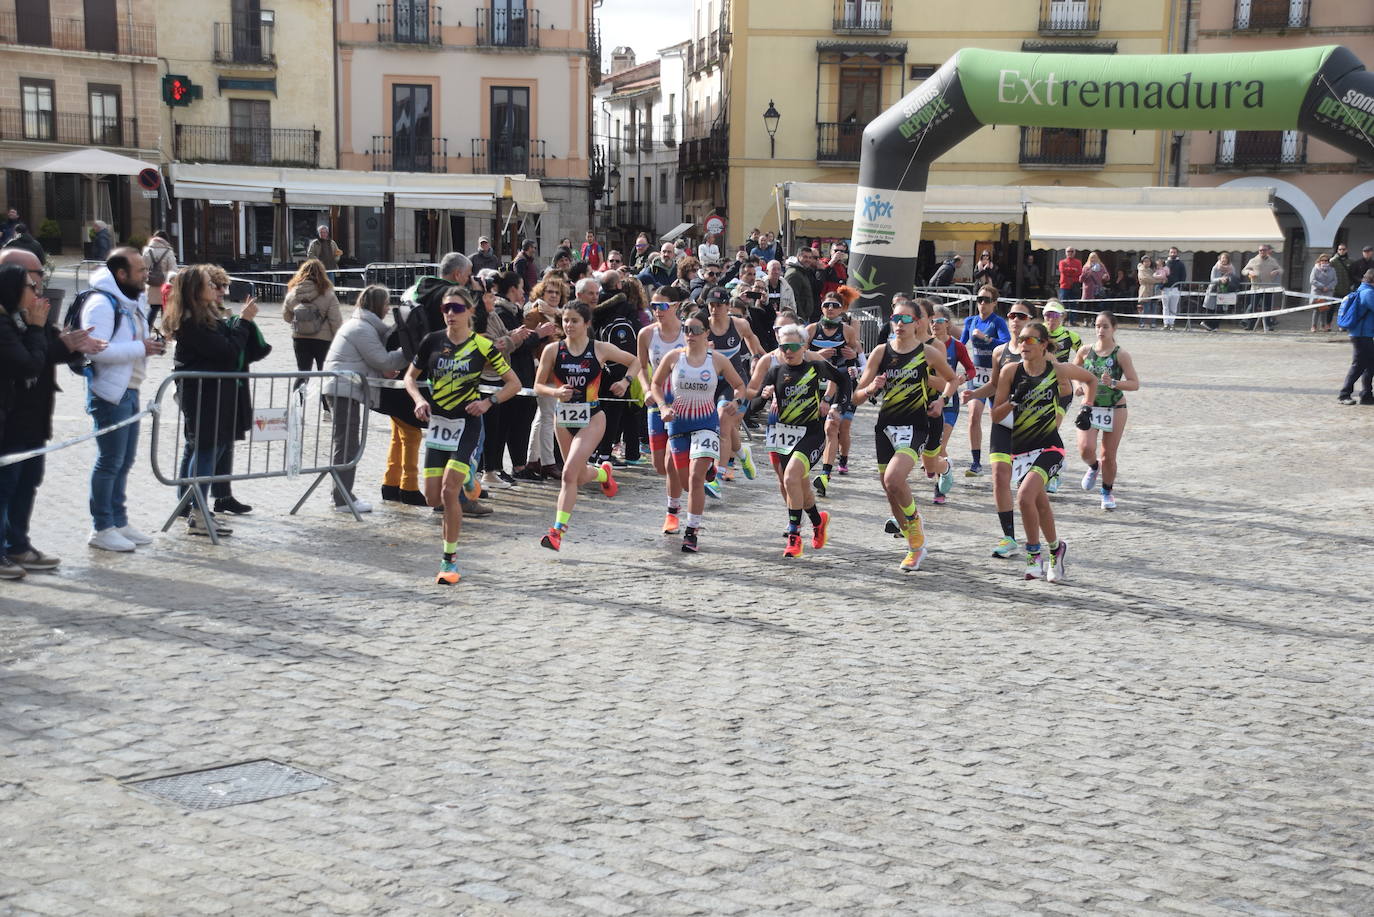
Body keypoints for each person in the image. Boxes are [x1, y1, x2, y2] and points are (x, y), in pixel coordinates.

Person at [404, 287, 521, 584]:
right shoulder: (432, 341)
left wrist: (487, 402)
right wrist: (419, 400)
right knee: (433, 498)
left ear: (470, 311)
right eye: (446, 309)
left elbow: (514, 383)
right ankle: (470, 480)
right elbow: (409, 377)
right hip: (439, 425)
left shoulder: (482, 345)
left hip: (467, 424)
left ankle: (449, 561)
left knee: (448, 490)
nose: (450, 314)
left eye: (457, 308)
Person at [0, 250, 102, 577]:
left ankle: (18, 544)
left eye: (40, 275)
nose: (38, 283)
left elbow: (44, 353)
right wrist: (38, 331)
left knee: (28, 481)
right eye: (31, 277)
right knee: (7, 483)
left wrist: (68, 344)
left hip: (37, 411)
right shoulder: (10, 319)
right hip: (13, 415)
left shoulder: (34, 313)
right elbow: (25, 359)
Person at [852, 298, 957, 573]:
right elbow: (857, 396)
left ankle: (917, 532)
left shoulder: (928, 352)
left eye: (906, 319)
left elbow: (952, 379)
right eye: (895, 319)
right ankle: (914, 546)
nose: (899, 324)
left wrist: (941, 401)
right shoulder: (879, 352)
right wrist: (872, 388)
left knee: (894, 479)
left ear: (918, 323)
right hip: (885, 426)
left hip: (915, 425)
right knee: (891, 490)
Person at [990, 321, 1096, 583]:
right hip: (1021, 450)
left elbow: (1090, 380)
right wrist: (1015, 400)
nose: (1024, 344)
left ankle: (1033, 556)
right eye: (1022, 339)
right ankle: (1056, 548)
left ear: (1044, 345)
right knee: (1039, 503)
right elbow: (995, 415)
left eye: (1031, 340)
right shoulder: (1009, 372)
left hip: (1050, 447)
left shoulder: (1057, 370)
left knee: (1025, 497)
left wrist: (1086, 409)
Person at [532, 300, 640, 552]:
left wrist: (625, 382)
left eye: (574, 321)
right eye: (566, 320)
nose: (569, 325)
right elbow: (538, 386)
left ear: (586, 323)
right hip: (564, 419)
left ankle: (556, 532)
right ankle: (603, 473)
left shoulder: (599, 349)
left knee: (568, 473)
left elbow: (635, 360)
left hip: (592, 417)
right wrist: (556, 392)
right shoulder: (553, 351)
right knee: (578, 476)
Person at [163, 266, 258, 537]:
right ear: (195, 291)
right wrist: (245, 322)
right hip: (202, 395)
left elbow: (227, 343)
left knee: (211, 450)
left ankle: (198, 508)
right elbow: (226, 351)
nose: (216, 289)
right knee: (204, 451)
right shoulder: (191, 321)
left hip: (217, 394)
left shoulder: (208, 315)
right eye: (209, 284)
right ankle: (197, 510)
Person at [746, 323, 848, 558]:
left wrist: (833, 404)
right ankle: (817, 521)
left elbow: (843, 381)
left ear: (803, 346)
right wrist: (762, 398)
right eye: (783, 347)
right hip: (784, 435)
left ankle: (794, 537)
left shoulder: (817, 367)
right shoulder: (775, 372)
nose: (788, 351)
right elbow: (753, 407)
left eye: (792, 346)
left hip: (811, 434)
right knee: (799, 486)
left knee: (791, 477)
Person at [648, 310, 747, 553]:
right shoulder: (673, 357)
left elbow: (740, 386)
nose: (690, 335)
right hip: (678, 423)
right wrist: (662, 407)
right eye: (686, 330)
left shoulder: (717, 360)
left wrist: (737, 402)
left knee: (695, 478)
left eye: (695, 330)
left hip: (706, 424)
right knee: (684, 482)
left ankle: (691, 532)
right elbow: (655, 384)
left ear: (706, 333)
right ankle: (706, 473)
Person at [83, 247, 161, 552]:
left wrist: (149, 346)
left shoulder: (131, 302)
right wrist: (141, 348)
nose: (146, 275)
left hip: (129, 389)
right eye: (140, 270)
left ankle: (118, 519)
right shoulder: (101, 304)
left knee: (124, 460)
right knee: (110, 461)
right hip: (110, 392)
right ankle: (102, 526)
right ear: (121, 274)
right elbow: (95, 350)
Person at [322, 285, 407, 513]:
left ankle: (341, 494)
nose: (388, 308)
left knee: (347, 442)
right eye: (386, 304)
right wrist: (410, 352)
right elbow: (383, 361)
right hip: (343, 389)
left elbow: (369, 362)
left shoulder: (361, 325)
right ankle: (342, 498)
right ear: (378, 305)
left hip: (344, 388)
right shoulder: (362, 328)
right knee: (347, 443)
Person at [961, 302, 1032, 559]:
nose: (1014, 319)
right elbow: (993, 385)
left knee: (1028, 489)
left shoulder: (1041, 353)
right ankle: (1009, 537)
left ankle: (1040, 538)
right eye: (1011, 315)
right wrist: (973, 394)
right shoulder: (999, 351)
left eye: (1021, 316)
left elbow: (1061, 386)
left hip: (1032, 426)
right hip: (1004, 422)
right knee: (1000, 477)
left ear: (1030, 321)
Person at [477, 271, 546, 488]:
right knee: (491, 430)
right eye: (488, 296)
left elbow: (503, 338)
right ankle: (488, 470)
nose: (492, 299)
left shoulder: (495, 314)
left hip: (501, 376)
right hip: (489, 378)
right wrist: (521, 337)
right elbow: (490, 346)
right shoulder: (489, 315)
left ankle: (492, 470)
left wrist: (514, 336)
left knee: (498, 426)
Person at [1074, 310, 1140, 511]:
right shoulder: (1085, 351)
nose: (1100, 330)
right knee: (1085, 448)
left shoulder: (1121, 354)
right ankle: (1093, 467)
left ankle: (1107, 492)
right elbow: (1074, 369)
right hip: (1090, 406)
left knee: (1108, 455)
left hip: (1115, 408)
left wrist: (1114, 383)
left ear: (1114, 329)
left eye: (1105, 326)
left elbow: (1135, 384)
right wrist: (1077, 384)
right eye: (1097, 326)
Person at [637, 286, 688, 533]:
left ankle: (672, 513)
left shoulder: (688, 334)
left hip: (682, 404)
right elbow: (639, 366)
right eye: (653, 306)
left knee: (671, 461)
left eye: (663, 306)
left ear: (676, 306)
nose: (657, 311)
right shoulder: (646, 334)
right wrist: (646, 389)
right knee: (659, 465)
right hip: (657, 402)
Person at [704, 286, 763, 489]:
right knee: (724, 426)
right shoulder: (702, 326)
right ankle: (742, 453)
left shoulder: (738, 324)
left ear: (727, 306)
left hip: (734, 382)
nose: (715, 309)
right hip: (709, 383)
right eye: (711, 304)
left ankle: (717, 478)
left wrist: (756, 359)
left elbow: (754, 342)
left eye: (719, 305)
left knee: (722, 419)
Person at [805, 287, 861, 496]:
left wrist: (853, 353)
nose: (830, 309)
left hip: (840, 381)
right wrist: (817, 354)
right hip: (815, 383)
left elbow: (858, 354)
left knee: (834, 426)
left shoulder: (847, 330)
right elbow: (799, 355)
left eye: (834, 306)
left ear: (841, 309)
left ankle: (825, 475)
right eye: (826, 305)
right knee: (816, 428)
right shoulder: (811, 329)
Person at [959, 285, 1010, 476]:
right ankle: (976, 462)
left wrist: (987, 339)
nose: (982, 303)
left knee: (999, 419)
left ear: (994, 303)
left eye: (987, 300)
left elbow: (1007, 344)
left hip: (996, 377)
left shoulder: (998, 322)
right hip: (977, 376)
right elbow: (961, 346)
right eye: (979, 299)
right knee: (973, 416)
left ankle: (1004, 458)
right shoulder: (970, 321)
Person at [523, 276, 569, 480]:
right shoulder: (533, 314)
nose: (553, 296)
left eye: (557, 293)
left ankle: (533, 459)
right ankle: (548, 462)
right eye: (549, 292)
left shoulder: (560, 316)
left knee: (542, 417)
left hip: (557, 372)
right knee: (548, 417)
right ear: (541, 294)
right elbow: (527, 344)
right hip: (542, 373)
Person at [930, 303, 973, 505]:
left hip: (949, 401)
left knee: (940, 445)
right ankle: (938, 466)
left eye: (938, 321)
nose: (934, 325)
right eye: (931, 321)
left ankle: (940, 489)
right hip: (928, 400)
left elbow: (971, 369)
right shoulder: (925, 345)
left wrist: (962, 378)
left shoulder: (957, 346)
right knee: (930, 447)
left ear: (947, 324)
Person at [282, 259, 342, 374]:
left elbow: (286, 316)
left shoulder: (292, 294)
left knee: (303, 373)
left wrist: (302, 321)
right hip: (323, 340)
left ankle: (299, 392)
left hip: (300, 338)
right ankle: (322, 392)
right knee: (324, 373)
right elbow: (335, 321)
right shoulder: (329, 295)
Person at [1336, 269, 1374, 405]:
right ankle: (1344, 394)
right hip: (1361, 334)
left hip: (1365, 334)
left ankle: (1367, 394)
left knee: (1370, 365)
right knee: (1359, 365)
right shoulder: (1367, 293)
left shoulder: (1364, 291)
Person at [1242, 244, 1283, 332]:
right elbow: (1244, 271)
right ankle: (1250, 325)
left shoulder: (1272, 260)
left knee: (1267, 307)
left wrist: (1276, 271)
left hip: (1268, 287)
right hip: (1256, 288)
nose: (1262, 252)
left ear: (1268, 251)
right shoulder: (1253, 260)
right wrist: (1250, 271)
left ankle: (1268, 325)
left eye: (1264, 250)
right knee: (1253, 307)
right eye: (1260, 250)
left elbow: (1281, 270)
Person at [141, 230, 176, 331]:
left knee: (153, 309)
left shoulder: (147, 251)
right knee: (166, 310)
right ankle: (166, 333)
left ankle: (146, 331)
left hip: (151, 283)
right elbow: (173, 270)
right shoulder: (168, 251)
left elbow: (142, 267)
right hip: (165, 284)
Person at [1202, 252, 1238, 331]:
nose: (1224, 260)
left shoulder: (1232, 268)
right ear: (1220, 259)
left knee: (1221, 310)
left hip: (1225, 291)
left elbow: (1234, 278)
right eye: (1222, 258)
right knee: (1211, 309)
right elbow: (1212, 279)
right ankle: (1208, 324)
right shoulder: (1216, 267)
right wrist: (1220, 279)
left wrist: (1228, 280)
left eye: (1225, 258)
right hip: (1214, 290)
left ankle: (1216, 326)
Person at [784, 247, 821, 322]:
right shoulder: (794, 274)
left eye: (810, 257)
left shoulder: (802, 271)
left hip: (804, 317)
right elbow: (793, 298)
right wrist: (801, 317)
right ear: (798, 257)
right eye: (805, 257)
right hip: (798, 319)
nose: (808, 260)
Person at [1159, 246, 1187, 331]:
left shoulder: (1181, 264)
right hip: (1165, 288)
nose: (1173, 254)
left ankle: (1172, 324)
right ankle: (1166, 323)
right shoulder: (1165, 263)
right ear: (1169, 253)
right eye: (1171, 252)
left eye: (1174, 252)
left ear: (1177, 253)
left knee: (1173, 307)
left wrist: (1179, 286)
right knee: (1165, 307)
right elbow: (1160, 274)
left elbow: (1183, 276)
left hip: (1175, 288)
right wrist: (1161, 286)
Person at [1310, 253, 1338, 333]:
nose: (1324, 262)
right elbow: (1312, 280)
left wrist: (1328, 287)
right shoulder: (1315, 269)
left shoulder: (1332, 270)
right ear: (1319, 261)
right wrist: (1322, 286)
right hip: (1317, 291)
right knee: (1316, 309)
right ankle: (1314, 326)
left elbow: (1335, 280)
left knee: (1325, 310)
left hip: (1327, 292)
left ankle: (1323, 326)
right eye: (1322, 260)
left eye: (1326, 261)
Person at [1136, 255, 1159, 329]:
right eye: (1145, 261)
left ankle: (1153, 323)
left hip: (1154, 291)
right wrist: (1157, 280)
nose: (1147, 263)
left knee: (1154, 308)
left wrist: (1156, 279)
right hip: (1145, 290)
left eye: (1148, 261)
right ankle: (1142, 323)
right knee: (1146, 308)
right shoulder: (1141, 270)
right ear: (1142, 262)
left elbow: (1157, 276)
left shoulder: (1152, 270)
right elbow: (1145, 279)